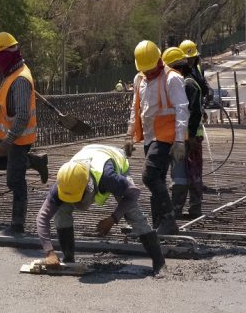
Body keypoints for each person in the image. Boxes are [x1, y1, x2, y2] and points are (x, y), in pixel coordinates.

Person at [36, 144, 165, 275]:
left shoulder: (109, 178)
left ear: (89, 187)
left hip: (114, 157)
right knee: (61, 209)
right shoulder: (65, 182)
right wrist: (49, 252)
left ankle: (159, 262)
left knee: (131, 211)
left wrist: (113, 218)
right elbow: (42, 217)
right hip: (88, 153)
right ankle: (69, 259)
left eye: (77, 198)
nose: (75, 203)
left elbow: (133, 194)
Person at [0, 32, 49, 235]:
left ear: (5, 56)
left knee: (15, 180)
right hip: (5, 134)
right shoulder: (13, 73)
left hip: (18, 138)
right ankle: (34, 162)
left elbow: (22, 117)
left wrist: (9, 142)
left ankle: (17, 225)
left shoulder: (20, 80)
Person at [124, 40, 188, 235]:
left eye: (151, 69)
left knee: (149, 176)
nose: (148, 73)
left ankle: (168, 220)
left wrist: (179, 140)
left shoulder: (172, 79)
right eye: (145, 70)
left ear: (158, 60)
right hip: (150, 137)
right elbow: (136, 108)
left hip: (166, 138)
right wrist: (129, 135)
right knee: (157, 179)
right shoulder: (139, 79)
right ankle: (158, 225)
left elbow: (182, 109)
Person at [162, 47, 204, 219]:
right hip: (188, 136)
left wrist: (190, 136)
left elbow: (193, 113)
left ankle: (179, 209)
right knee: (192, 172)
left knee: (184, 173)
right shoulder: (189, 82)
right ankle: (194, 208)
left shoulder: (187, 84)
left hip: (189, 137)